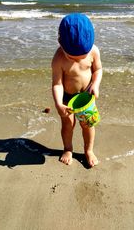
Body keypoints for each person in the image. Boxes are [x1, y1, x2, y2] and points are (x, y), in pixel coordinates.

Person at [51, 13, 102, 167]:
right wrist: (59, 103)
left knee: (88, 125)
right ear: (61, 43)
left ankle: (89, 150)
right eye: (72, 57)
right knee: (68, 125)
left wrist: (95, 84)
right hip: (67, 98)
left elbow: (97, 70)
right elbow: (57, 84)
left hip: (86, 96)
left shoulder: (93, 51)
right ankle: (68, 149)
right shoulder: (59, 58)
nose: (77, 59)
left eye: (81, 56)